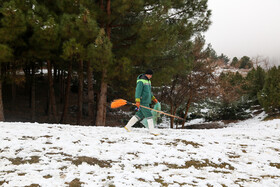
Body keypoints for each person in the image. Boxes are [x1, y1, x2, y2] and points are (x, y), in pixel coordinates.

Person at [124, 69, 159, 135]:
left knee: (139, 115)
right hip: (143, 101)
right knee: (149, 115)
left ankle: (128, 126)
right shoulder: (141, 81)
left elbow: (149, 91)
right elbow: (138, 91)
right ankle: (152, 130)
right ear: (147, 74)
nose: (151, 76)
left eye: (151, 75)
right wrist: (137, 100)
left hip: (147, 101)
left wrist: (153, 98)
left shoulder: (148, 81)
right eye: (150, 75)